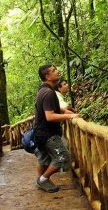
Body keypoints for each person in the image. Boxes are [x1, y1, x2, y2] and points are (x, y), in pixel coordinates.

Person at [34, 64, 79, 193]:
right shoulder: (48, 92)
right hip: (47, 133)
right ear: (47, 76)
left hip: (40, 132)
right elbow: (49, 116)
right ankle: (42, 180)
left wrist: (64, 110)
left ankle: (42, 180)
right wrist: (69, 117)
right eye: (54, 71)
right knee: (63, 158)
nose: (57, 71)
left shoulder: (43, 90)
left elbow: (49, 107)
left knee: (44, 159)